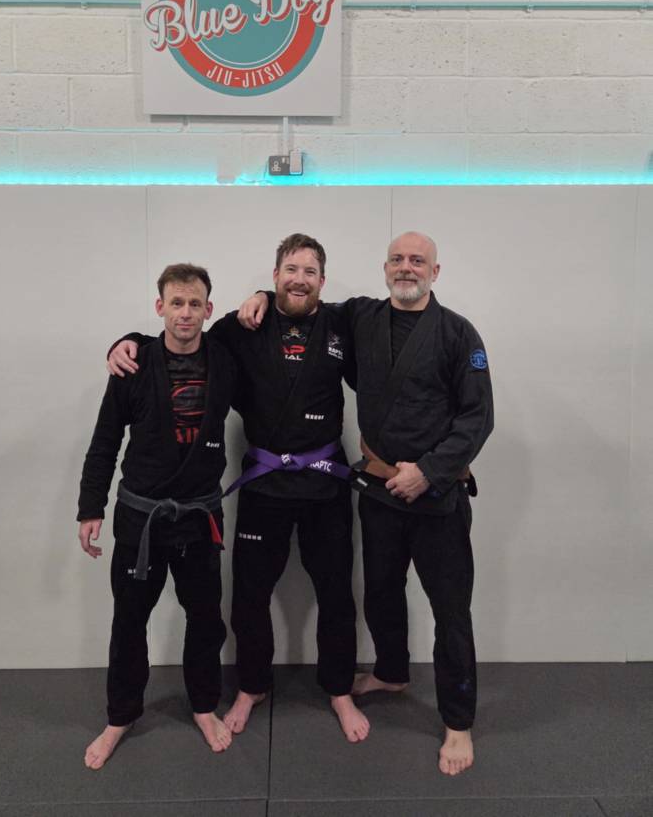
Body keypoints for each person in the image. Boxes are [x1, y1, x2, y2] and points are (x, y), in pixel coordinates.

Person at [237, 231, 493, 775]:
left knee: (450, 612)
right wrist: (260, 293)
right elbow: (301, 301)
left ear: (435, 272)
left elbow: (478, 417)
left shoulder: (458, 333)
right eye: (398, 259)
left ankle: (458, 723)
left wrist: (428, 472)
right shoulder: (360, 317)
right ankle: (391, 672)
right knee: (380, 592)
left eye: (417, 260)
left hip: (436, 494)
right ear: (384, 268)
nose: (406, 268)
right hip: (379, 491)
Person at [107, 235, 370, 743]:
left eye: (310, 271)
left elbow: (382, 372)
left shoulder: (342, 325)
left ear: (322, 280)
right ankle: (252, 686)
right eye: (290, 269)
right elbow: (183, 337)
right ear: (275, 276)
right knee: (250, 596)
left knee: (337, 592)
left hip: (326, 485)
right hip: (265, 485)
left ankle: (340, 689)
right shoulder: (243, 325)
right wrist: (125, 341)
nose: (299, 279)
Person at [78, 263, 236, 768]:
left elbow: (265, 329)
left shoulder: (226, 361)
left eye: (195, 304)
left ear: (208, 310)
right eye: (176, 303)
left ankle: (205, 706)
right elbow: (105, 440)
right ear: (159, 307)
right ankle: (120, 716)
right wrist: (90, 507)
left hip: (200, 516)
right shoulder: (134, 364)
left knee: (205, 619)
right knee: (129, 621)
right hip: (140, 517)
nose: (185, 313)